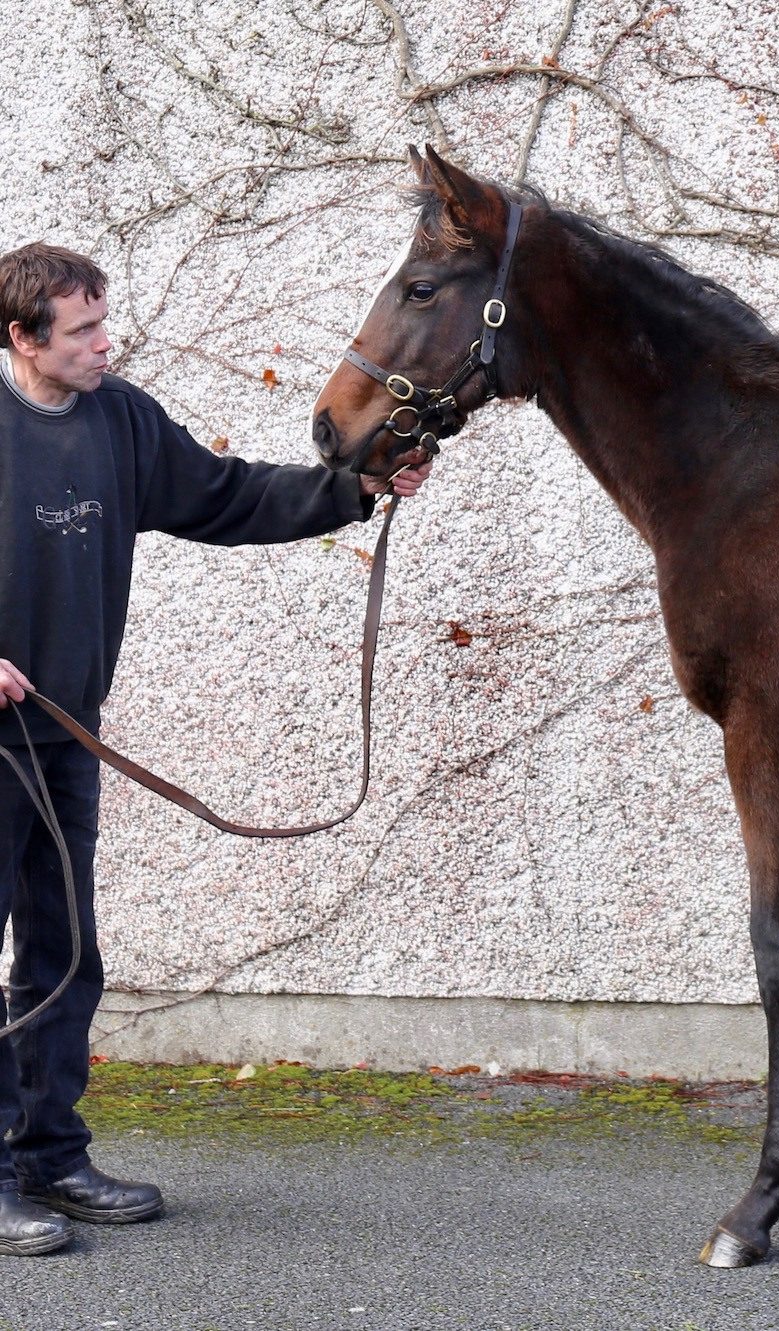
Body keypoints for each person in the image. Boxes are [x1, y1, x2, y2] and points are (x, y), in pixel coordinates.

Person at [0, 241, 431, 1256]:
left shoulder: (122, 419)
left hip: (65, 737)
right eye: (84, 332)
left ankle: (50, 1155)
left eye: (105, 322)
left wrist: (358, 486)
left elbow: (226, 494)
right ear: (22, 339)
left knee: (65, 954)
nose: (108, 343)